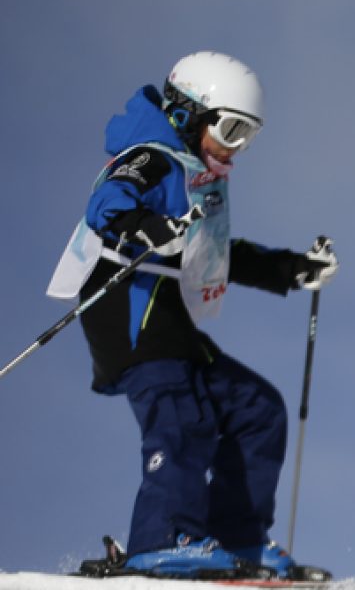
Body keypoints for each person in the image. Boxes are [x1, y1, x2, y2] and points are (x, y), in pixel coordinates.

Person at [46, 51, 336, 580]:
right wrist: (143, 224)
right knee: (183, 417)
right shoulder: (153, 156)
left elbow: (218, 255)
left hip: (167, 313)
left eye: (247, 136)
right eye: (229, 129)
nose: (235, 147)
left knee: (256, 408)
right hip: (127, 304)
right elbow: (108, 200)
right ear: (186, 111)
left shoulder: (199, 177)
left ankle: (238, 539)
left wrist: (291, 268)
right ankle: (161, 540)